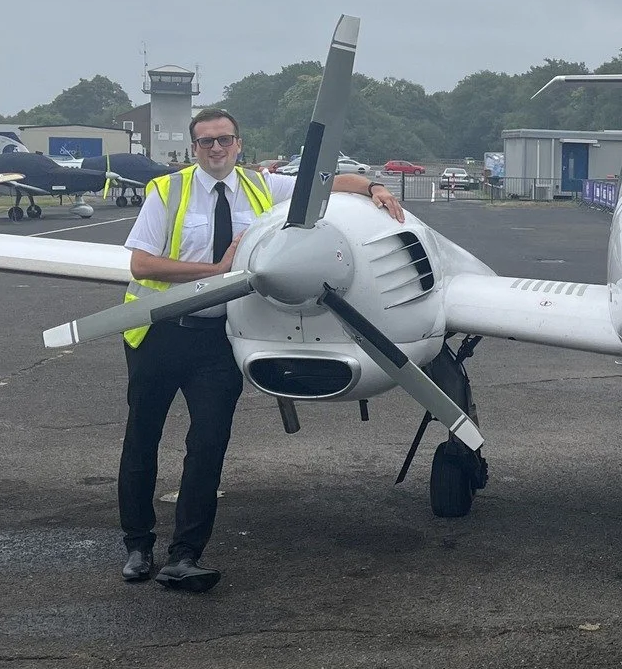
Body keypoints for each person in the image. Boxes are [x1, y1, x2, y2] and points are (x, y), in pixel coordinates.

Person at [118, 109, 406, 592]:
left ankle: (185, 554)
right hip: (159, 333)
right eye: (206, 142)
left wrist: (374, 187)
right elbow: (143, 263)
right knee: (141, 440)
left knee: (207, 446)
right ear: (194, 149)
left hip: (217, 341)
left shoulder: (263, 187)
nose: (216, 149)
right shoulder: (165, 192)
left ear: (238, 144)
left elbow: (329, 183)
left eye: (224, 140)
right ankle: (137, 544)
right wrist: (217, 273)